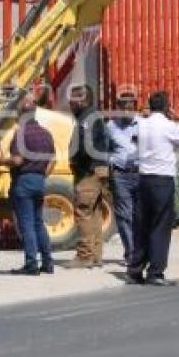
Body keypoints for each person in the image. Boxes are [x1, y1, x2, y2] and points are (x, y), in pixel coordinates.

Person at [127, 91, 179, 287]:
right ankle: (155, 272)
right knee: (160, 226)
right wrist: (176, 120)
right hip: (162, 179)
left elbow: (133, 140)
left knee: (141, 225)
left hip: (143, 178)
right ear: (167, 107)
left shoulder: (141, 123)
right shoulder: (169, 126)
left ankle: (135, 270)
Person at [0, 92, 56, 275]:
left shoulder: (21, 133)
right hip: (39, 180)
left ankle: (31, 264)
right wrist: (43, 174)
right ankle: (47, 263)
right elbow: (53, 159)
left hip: (24, 181)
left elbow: (17, 161)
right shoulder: (46, 133)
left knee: (27, 224)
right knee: (39, 223)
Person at [63, 84, 111, 269]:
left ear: (83, 100)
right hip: (98, 169)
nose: (70, 102)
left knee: (83, 212)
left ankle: (84, 256)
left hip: (88, 171)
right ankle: (96, 256)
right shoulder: (92, 116)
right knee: (95, 213)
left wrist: (77, 161)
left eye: (74, 98)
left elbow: (85, 145)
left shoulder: (87, 118)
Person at [107, 91, 140, 266]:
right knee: (123, 215)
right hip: (120, 174)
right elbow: (104, 149)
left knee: (139, 214)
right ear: (118, 108)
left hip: (141, 173)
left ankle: (141, 250)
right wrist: (109, 164)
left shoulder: (143, 125)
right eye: (123, 107)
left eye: (130, 107)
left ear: (135, 107)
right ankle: (131, 252)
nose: (126, 111)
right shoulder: (111, 126)